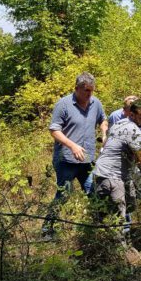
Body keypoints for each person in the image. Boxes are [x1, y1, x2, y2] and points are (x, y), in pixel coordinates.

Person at [42, 72, 108, 239]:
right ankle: (47, 231)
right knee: (64, 194)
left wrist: (104, 132)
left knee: (94, 193)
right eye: (86, 90)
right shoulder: (63, 105)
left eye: (91, 90)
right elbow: (54, 130)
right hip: (66, 159)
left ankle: (96, 231)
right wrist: (72, 145)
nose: (89, 94)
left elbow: (103, 119)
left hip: (87, 158)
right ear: (77, 88)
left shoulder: (96, 103)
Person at [93, 100, 141, 248]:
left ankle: (104, 238)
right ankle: (120, 249)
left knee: (129, 202)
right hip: (111, 174)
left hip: (110, 172)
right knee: (118, 213)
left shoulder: (119, 123)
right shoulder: (133, 130)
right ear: (132, 114)